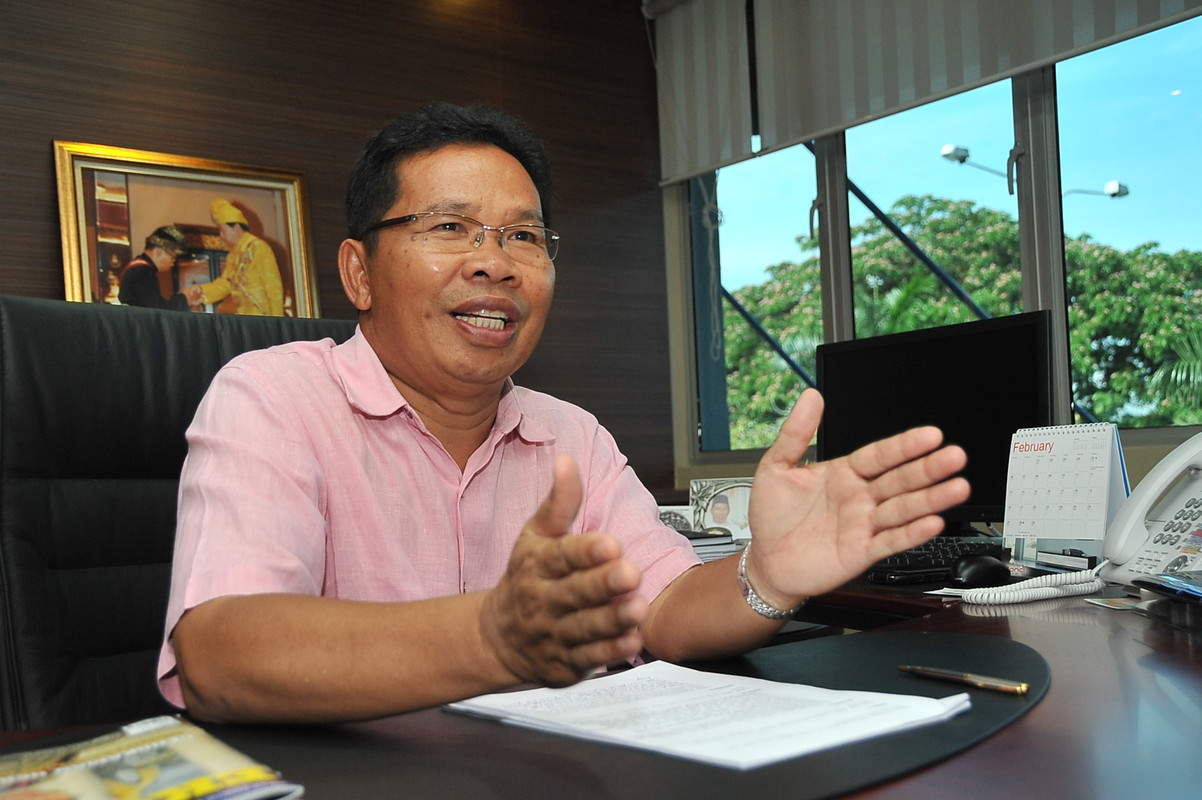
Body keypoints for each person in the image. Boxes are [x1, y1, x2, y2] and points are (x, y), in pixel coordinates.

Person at [159, 101, 969, 725]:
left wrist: (765, 575)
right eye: (449, 227)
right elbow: (221, 654)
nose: (494, 263)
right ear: (359, 273)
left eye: (523, 236)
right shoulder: (271, 396)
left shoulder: (570, 434)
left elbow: (667, 613)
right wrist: (495, 638)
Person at [184, 199, 284, 316]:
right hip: (243, 316)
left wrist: (278, 322)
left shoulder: (259, 248)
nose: (221, 236)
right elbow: (226, 283)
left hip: (263, 316)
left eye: (223, 230)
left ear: (236, 227)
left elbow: (274, 289)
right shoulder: (233, 255)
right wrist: (201, 291)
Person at [118, 226, 192, 310]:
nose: (173, 263)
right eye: (173, 258)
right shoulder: (143, 272)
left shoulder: (135, 268)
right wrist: (184, 298)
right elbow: (157, 311)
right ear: (159, 252)